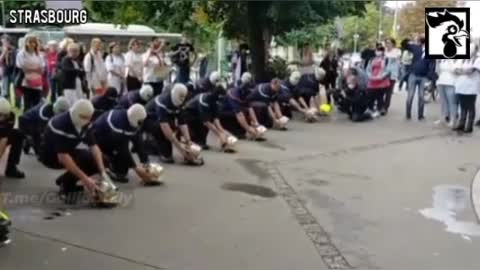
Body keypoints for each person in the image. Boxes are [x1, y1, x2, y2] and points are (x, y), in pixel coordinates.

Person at [38, 99, 107, 204]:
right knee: (82, 161)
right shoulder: (59, 124)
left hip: (68, 150)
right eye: (84, 118)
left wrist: (102, 172)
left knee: (101, 161)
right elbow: (63, 157)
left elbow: (94, 146)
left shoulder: (86, 123)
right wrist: (86, 180)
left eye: (89, 118)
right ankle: (66, 186)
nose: (87, 121)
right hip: (51, 156)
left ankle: (65, 179)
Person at [92, 104, 153, 183]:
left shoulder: (130, 118)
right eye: (140, 121)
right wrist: (136, 169)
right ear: (135, 119)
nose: (142, 123)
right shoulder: (118, 125)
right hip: (100, 139)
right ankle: (107, 160)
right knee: (121, 170)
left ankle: (112, 160)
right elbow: (123, 150)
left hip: (114, 137)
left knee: (124, 164)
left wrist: (145, 161)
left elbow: (138, 140)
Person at [144, 83, 202, 165]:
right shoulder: (162, 102)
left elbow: (182, 123)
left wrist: (189, 142)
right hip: (148, 120)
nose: (182, 99)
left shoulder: (181, 102)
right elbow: (164, 127)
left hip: (164, 119)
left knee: (174, 128)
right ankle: (150, 144)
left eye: (183, 96)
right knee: (162, 132)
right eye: (180, 96)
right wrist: (182, 150)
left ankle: (154, 147)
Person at [183, 84, 233, 151]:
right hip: (189, 113)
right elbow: (206, 122)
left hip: (198, 114)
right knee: (202, 124)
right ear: (217, 95)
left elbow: (216, 118)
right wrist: (219, 134)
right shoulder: (204, 100)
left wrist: (222, 131)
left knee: (210, 123)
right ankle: (197, 140)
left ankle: (202, 141)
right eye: (221, 97)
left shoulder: (215, 101)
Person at [220, 72, 262, 139]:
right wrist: (248, 129)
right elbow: (239, 114)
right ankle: (238, 133)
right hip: (223, 112)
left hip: (233, 109)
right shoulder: (234, 93)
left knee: (248, 110)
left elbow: (250, 108)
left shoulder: (246, 91)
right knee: (239, 114)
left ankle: (245, 130)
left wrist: (256, 123)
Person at [405, 35, 436, 121]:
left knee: (422, 96)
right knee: (410, 95)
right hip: (413, 74)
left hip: (424, 77)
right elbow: (404, 44)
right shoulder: (416, 47)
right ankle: (408, 114)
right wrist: (411, 39)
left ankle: (420, 115)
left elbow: (432, 65)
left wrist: (430, 77)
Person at [453, 43, 480, 133]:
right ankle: (461, 124)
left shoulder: (477, 59)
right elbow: (455, 69)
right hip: (461, 86)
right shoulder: (463, 59)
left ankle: (469, 126)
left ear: (475, 50)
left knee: (470, 107)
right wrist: (462, 71)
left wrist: (462, 71)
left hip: (471, 87)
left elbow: (471, 71)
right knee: (463, 106)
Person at [16, 35, 45, 111]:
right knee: (27, 103)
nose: (32, 44)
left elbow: (42, 68)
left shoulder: (39, 55)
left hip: (37, 82)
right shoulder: (21, 54)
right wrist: (35, 69)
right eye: (30, 42)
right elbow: (22, 67)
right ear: (26, 43)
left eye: (34, 42)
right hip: (26, 82)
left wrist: (31, 68)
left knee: (37, 103)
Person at [0, 97, 24, 178]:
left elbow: (4, 138)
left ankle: (11, 168)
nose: (2, 118)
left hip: (2, 137)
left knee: (18, 134)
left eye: (5, 115)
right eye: (0, 115)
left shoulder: (11, 116)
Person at [366, 46, 391, 117]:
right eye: (377, 50)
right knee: (370, 95)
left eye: (379, 51)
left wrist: (381, 76)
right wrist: (370, 76)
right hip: (372, 80)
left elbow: (388, 70)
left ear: (383, 52)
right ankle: (370, 108)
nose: (378, 52)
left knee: (380, 96)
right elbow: (368, 69)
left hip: (382, 81)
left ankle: (380, 109)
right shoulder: (371, 60)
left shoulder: (386, 60)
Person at [436, 59, 457, 127]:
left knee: (451, 102)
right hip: (441, 81)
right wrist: (437, 63)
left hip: (450, 82)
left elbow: (454, 70)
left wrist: (449, 61)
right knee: (443, 102)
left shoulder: (455, 60)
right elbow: (437, 71)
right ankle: (443, 118)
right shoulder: (442, 60)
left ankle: (452, 119)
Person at [0, 35, 19, 107]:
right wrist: (4, 52)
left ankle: (17, 104)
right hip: (5, 72)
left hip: (14, 71)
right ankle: (6, 104)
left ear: (9, 41)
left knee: (16, 88)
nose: (5, 43)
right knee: (5, 90)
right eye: (3, 41)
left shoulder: (14, 49)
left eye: (6, 41)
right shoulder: (1, 50)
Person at [384, 38, 401, 113]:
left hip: (392, 74)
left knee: (388, 91)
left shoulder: (397, 51)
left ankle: (385, 107)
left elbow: (396, 59)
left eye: (389, 43)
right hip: (382, 74)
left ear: (393, 44)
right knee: (381, 91)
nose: (388, 44)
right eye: (386, 43)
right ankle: (380, 105)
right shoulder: (384, 51)